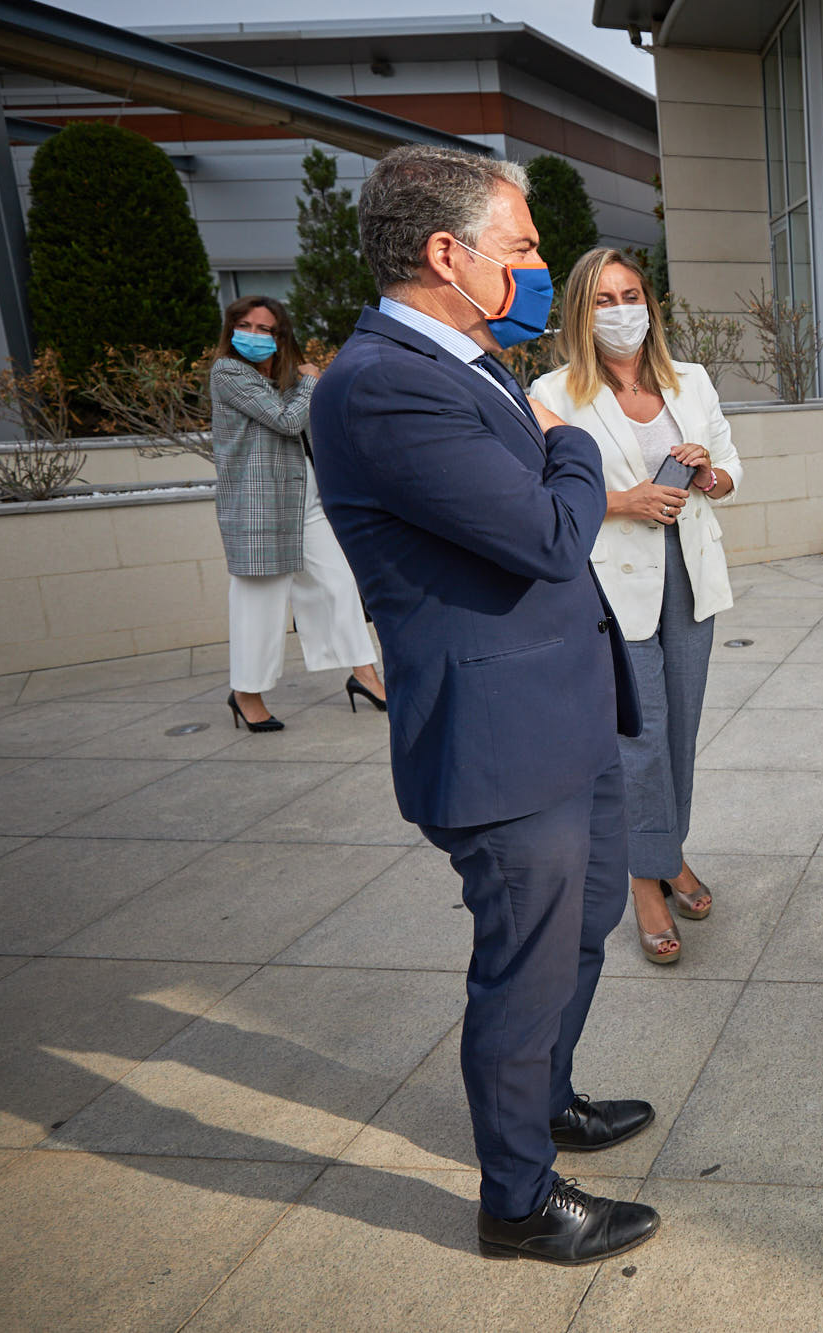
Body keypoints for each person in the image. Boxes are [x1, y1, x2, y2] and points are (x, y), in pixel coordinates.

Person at [310, 145, 659, 1264]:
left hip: (561, 718)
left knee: (586, 922)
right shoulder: (385, 383)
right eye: (519, 246)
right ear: (444, 254)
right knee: (526, 966)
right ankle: (516, 1198)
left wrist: (550, 444)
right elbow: (549, 534)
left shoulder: (465, 358)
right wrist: (572, 442)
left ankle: (545, 1099)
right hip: (501, 746)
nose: (540, 265)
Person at [529, 249, 744, 965]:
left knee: (679, 728)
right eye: (603, 299)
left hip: (690, 573)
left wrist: (708, 473)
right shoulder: (554, 393)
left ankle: (669, 852)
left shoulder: (693, 381)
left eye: (631, 295)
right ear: (580, 314)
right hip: (610, 585)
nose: (622, 310)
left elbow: (729, 467)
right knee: (638, 737)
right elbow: (542, 499)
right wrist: (623, 500)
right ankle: (645, 882)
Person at [209, 295, 386, 731]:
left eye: (264, 329)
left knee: (339, 585)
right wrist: (312, 384)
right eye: (244, 326)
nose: (253, 335)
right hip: (259, 509)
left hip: (306, 498)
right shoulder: (228, 372)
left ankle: (364, 673)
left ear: (279, 335)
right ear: (231, 329)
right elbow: (286, 421)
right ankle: (246, 693)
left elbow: (313, 425)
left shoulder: (286, 377)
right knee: (260, 604)